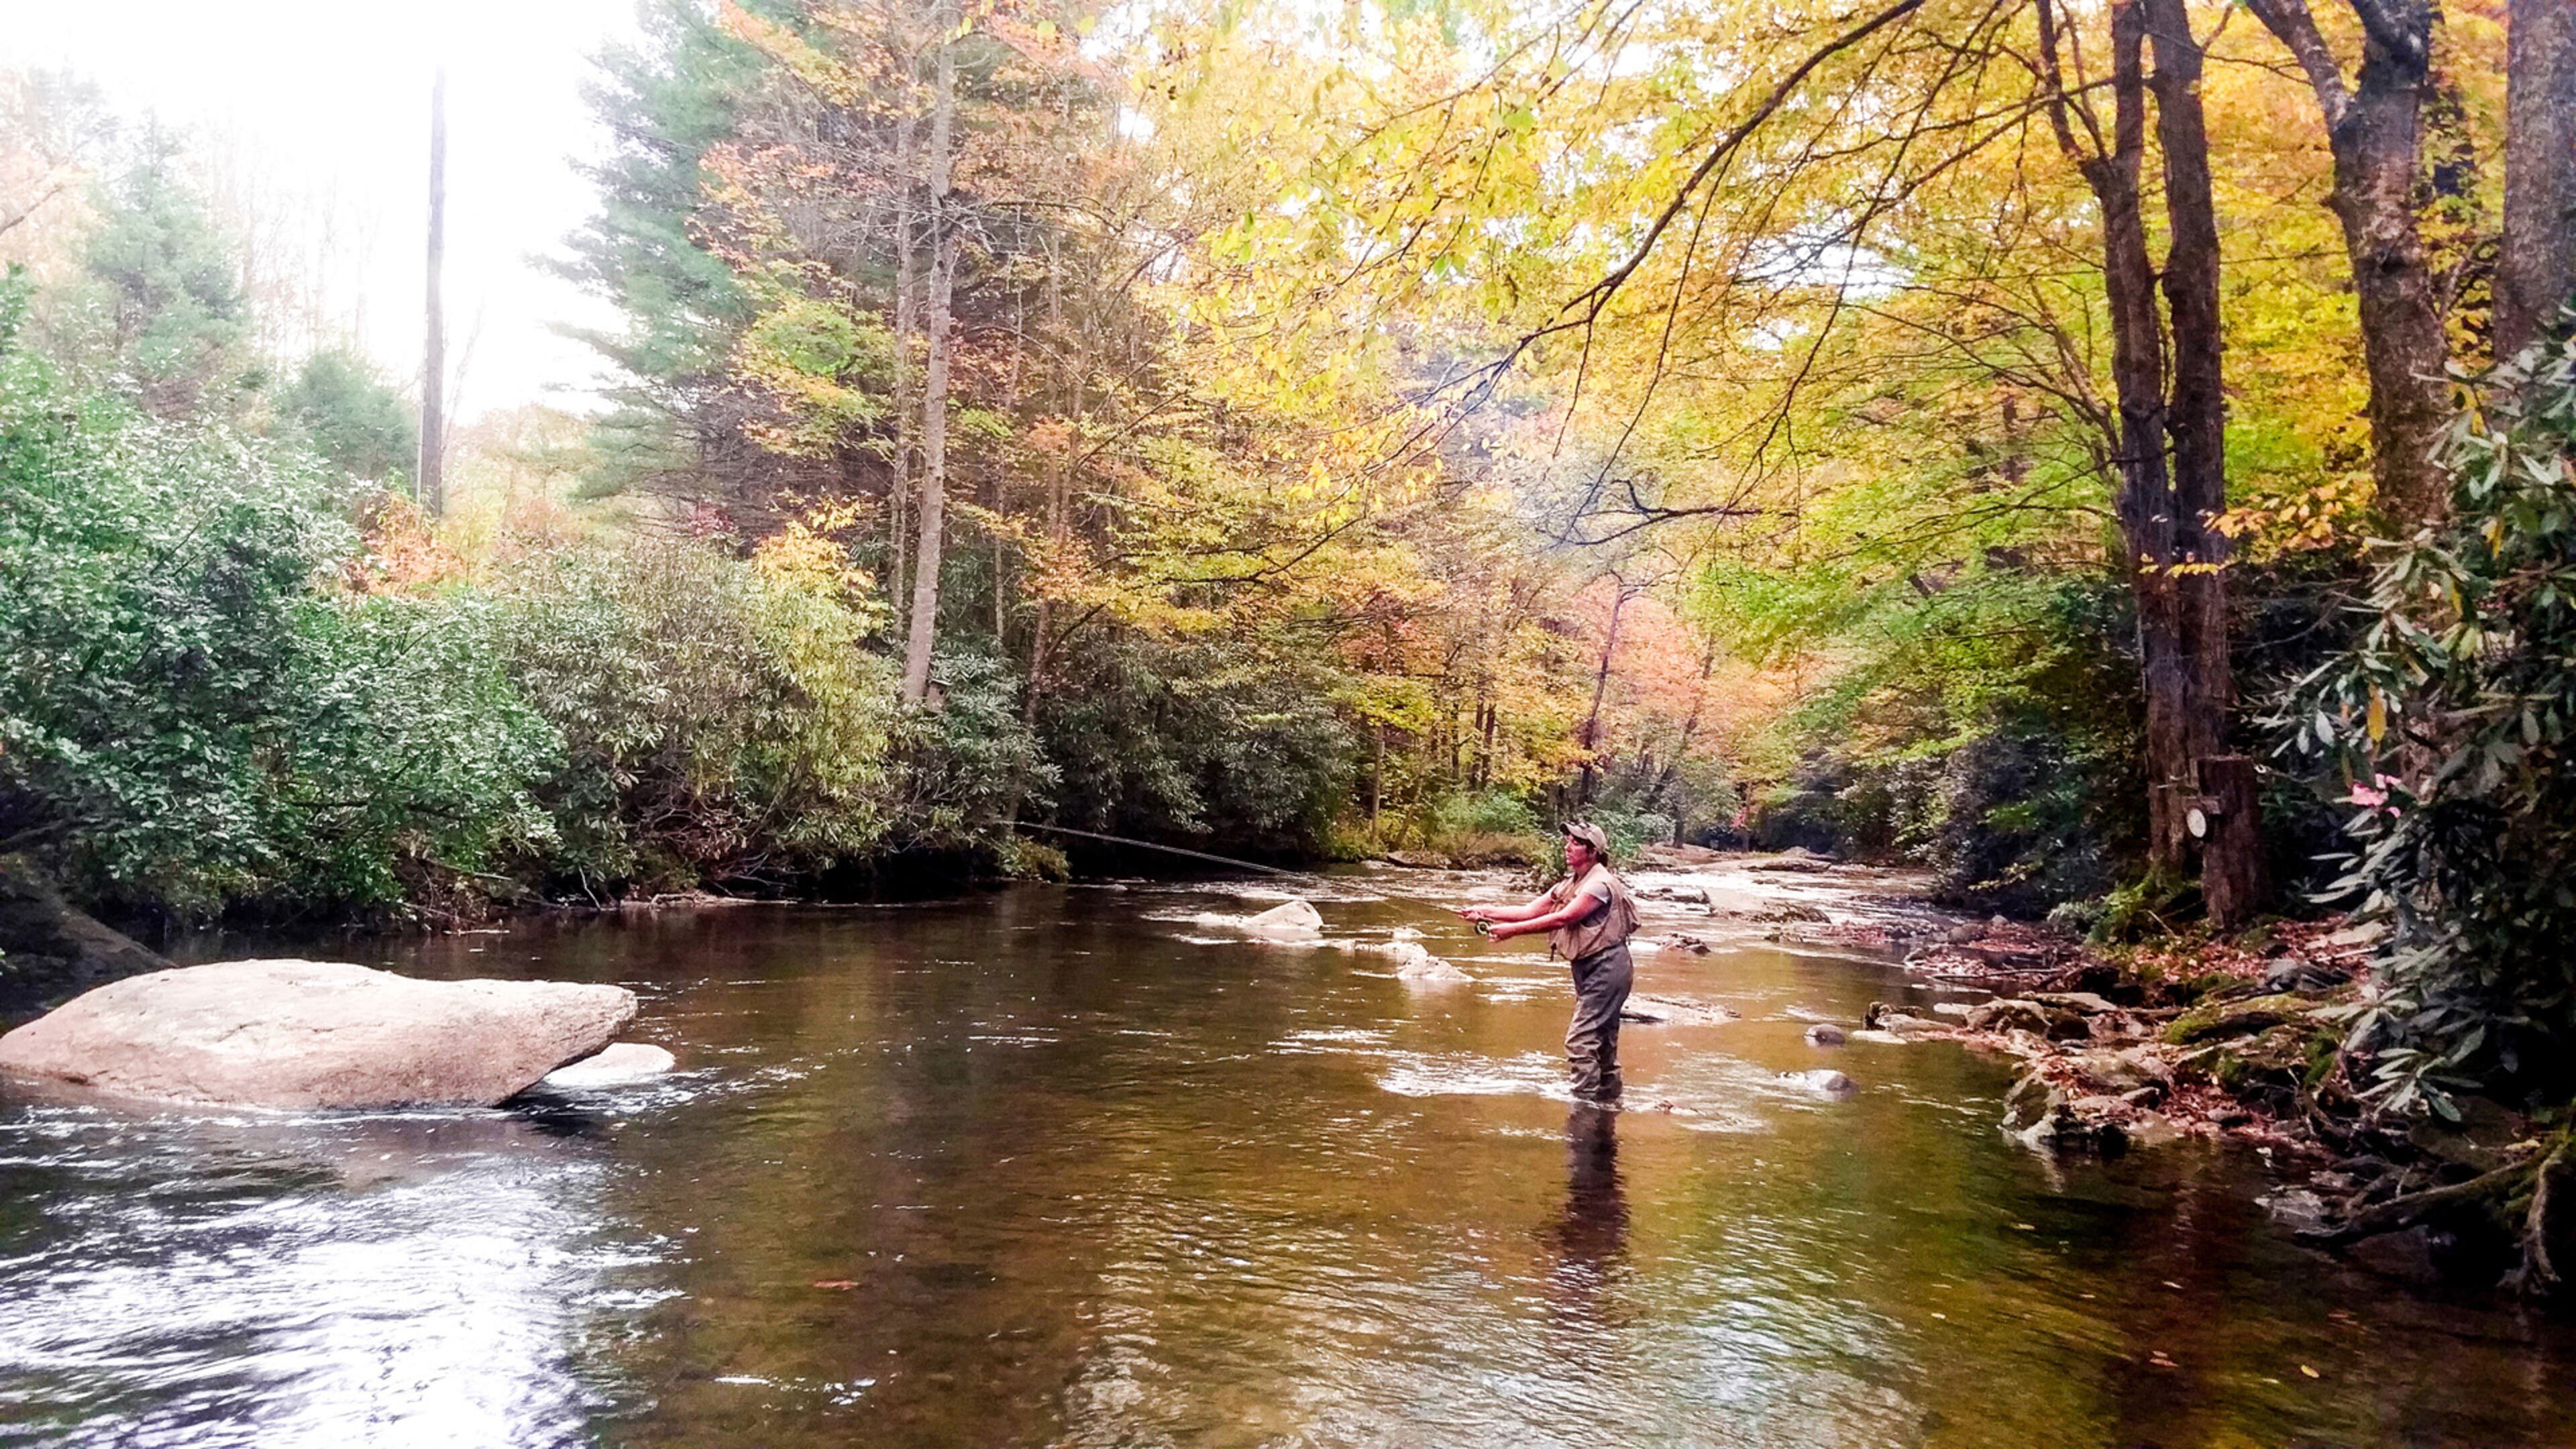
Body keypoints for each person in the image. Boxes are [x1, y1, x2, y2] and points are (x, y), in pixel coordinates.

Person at [1457, 822, 1641, 1102]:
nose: (1567, 847)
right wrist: (1484, 911)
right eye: (1567, 841)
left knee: (1580, 1041)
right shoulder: (1570, 883)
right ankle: (1607, 1105)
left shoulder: (1600, 885)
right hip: (1590, 968)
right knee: (1603, 1042)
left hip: (1608, 967)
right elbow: (1529, 910)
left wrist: (1511, 932)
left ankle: (1585, 1105)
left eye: (1576, 843)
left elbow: (1564, 918)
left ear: (1593, 852)